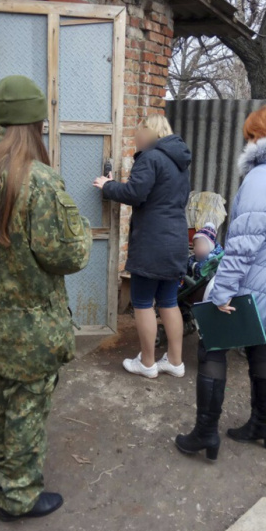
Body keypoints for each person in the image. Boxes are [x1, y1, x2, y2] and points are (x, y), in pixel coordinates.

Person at [0, 75, 92, 522]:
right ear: (35, 123)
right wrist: (83, 230)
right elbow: (70, 255)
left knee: (2, 398)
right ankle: (20, 495)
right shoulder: (39, 181)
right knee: (28, 404)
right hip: (32, 325)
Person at [175, 105, 266, 458]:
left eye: (250, 137)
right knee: (262, 347)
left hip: (252, 282)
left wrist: (220, 292)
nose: (248, 143)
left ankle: (206, 433)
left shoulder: (263, 177)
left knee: (212, 346)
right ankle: (261, 424)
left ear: (260, 136)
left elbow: (243, 245)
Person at [93, 114, 191, 379]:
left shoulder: (150, 157)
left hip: (152, 243)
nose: (137, 139)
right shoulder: (180, 162)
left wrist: (108, 186)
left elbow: (136, 193)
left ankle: (147, 363)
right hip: (176, 240)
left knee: (143, 303)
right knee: (169, 302)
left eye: (139, 134)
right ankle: (175, 361)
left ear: (149, 132)